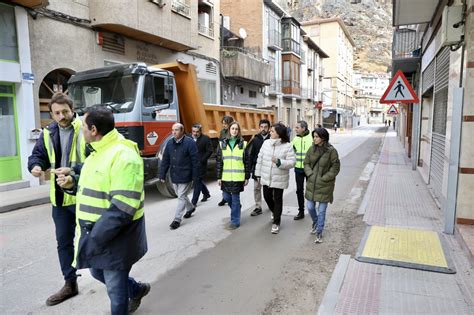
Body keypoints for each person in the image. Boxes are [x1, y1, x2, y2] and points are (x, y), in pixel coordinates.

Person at [56, 107, 150, 314]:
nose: (81, 131)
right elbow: (96, 186)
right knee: (97, 272)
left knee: (116, 295)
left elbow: (123, 208)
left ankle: (130, 294)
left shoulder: (124, 156)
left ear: (94, 129)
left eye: (83, 128)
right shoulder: (97, 152)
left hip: (114, 238)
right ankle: (135, 289)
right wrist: (72, 183)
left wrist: (94, 238)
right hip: (99, 235)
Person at [27, 92, 86, 306]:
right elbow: (38, 155)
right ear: (51, 114)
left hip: (84, 194)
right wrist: (35, 165)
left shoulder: (85, 128)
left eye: (65, 112)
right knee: (63, 244)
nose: (61, 116)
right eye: (57, 113)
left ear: (72, 109)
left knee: (97, 241)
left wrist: (74, 171)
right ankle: (70, 283)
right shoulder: (47, 132)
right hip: (60, 199)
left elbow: (95, 159)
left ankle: (119, 283)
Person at [255, 123, 296, 234]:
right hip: (266, 176)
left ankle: (276, 223)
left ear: (279, 134)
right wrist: (257, 174)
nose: (270, 132)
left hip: (280, 177)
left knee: (278, 199)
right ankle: (275, 212)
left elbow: (292, 163)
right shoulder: (266, 143)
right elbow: (260, 159)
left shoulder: (288, 146)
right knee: (267, 197)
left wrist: (279, 162)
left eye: (272, 131)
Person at [304, 127, 340, 243]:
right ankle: (315, 222)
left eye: (316, 137)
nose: (314, 139)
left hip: (325, 185)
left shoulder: (331, 151)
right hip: (312, 184)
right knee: (310, 207)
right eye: (313, 136)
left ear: (323, 138)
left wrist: (325, 178)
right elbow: (306, 163)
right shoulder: (311, 149)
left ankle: (319, 232)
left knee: (322, 210)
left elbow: (335, 167)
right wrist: (310, 174)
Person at [159, 123, 199, 230]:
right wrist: (162, 174)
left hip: (186, 174)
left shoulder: (189, 143)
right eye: (172, 130)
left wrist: (195, 177)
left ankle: (177, 219)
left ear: (182, 131)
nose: (173, 132)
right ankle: (190, 208)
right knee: (180, 194)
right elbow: (165, 160)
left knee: (181, 196)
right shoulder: (170, 143)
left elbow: (195, 161)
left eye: (176, 130)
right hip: (174, 175)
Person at [216, 121, 250, 229]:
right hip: (225, 177)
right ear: (229, 130)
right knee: (226, 197)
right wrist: (219, 177)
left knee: (235, 199)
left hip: (238, 177)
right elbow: (219, 162)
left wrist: (247, 177)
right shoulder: (222, 144)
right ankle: (237, 208)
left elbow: (247, 162)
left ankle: (235, 221)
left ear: (239, 131)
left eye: (236, 129)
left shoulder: (243, 144)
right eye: (232, 129)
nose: (234, 131)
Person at [247, 119, 271, 216]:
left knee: (269, 189)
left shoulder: (272, 139)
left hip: (269, 169)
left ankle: (271, 204)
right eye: (261, 127)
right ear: (259, 128)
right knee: (257, 188)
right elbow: (251, 155)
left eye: (265, 127)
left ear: (269, 128)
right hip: (257, 168)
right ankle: (258, 207)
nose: (263, 129)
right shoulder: (255, 139)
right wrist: (249, 169)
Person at [291, 120, 313, 220]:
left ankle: (312, 208)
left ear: (303, 128)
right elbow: (290, 151)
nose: (295, 129)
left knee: (310, 190)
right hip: (298, 169)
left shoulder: (312, 138)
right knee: (299, 190)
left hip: (309, 169)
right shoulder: (295, 139)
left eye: (297, 127)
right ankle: (301, 211)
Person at [190, 123, 212, 207]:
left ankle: (193, 202)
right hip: (191, 164)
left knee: (197, 182)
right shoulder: (188, 138)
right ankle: (206, 193)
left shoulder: (206, 139)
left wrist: (202, 160)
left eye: (197, 132)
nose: (195, 133)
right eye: (193, 131)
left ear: (200, 131)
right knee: (198, 181)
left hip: (201, 165)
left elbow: (209, 151)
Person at [218, 115, 234, 207]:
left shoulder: (233, 132)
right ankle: (224, 197)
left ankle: (230, 196)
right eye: (223, 123)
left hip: (230, 157)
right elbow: (220, 143)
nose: (224, 125)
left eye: (225, 124)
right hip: (223, 156)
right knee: (223, 178)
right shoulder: (222, 132)